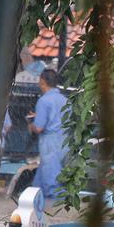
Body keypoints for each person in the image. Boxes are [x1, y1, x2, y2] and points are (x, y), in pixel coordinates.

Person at [28, 69, 68, 200]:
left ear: (42, 82)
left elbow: (39, 127)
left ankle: (54, 217)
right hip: (65, 143)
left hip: (50, 144)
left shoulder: (44, 101)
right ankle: (33, 205)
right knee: (38, 185)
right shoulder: (65, 100)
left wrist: (31, 125)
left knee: (52, 186)